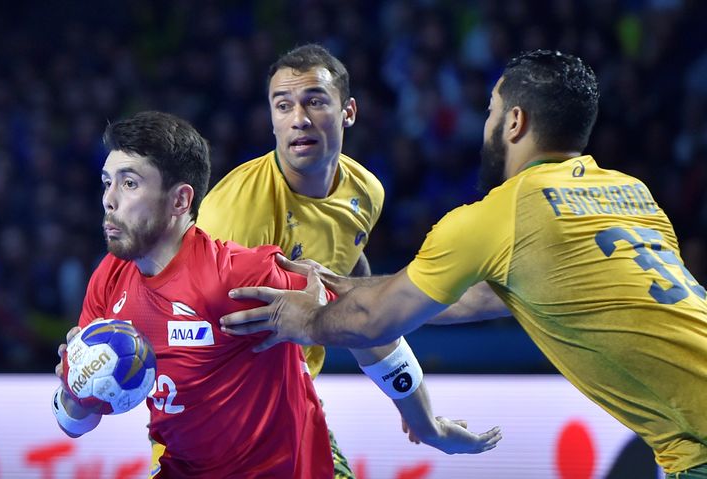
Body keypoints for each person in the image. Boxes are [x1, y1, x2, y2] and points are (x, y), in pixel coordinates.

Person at [220, 50, 707, 478]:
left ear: (514, 123)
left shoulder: (494, 214)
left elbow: (377, 319)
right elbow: (482, 296)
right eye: (283, 105)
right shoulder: (630, 192)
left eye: (491, 112)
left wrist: (307, 318)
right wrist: (349, 290)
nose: (298, 118)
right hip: (237, 416)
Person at [51, 111, 501, 478]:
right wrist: (74, 391)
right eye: (107, 182)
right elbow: (77, 422)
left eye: (129, 183)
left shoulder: (240, 274)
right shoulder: (109, 281)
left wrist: (429, 426)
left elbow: (368, 323)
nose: (109, 199)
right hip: (182, 468)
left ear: (179, 200)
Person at [193, 42, 381, 479]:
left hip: (292, 402)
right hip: (211, 417)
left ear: (348, 111)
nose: (299, 118)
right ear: (272, 119)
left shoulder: (366, 192)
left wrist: (405, 394)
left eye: (315, 101)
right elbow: (188, 319)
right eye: (284, 105)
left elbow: (353, 281)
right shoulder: (238, 211)